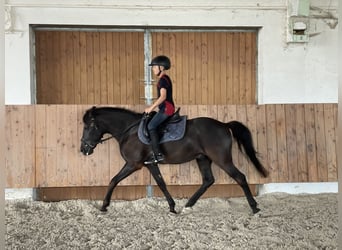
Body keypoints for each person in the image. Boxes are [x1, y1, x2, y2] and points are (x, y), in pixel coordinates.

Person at [144, 55, 175, 164]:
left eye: (154, 67)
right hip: (166, 108)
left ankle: (157, 154)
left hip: (167, 109)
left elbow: (163, 97)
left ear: (161, 67)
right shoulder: (164, 79)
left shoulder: (162, 80)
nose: (153, 69)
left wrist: (151, 108)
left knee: (151, 126)